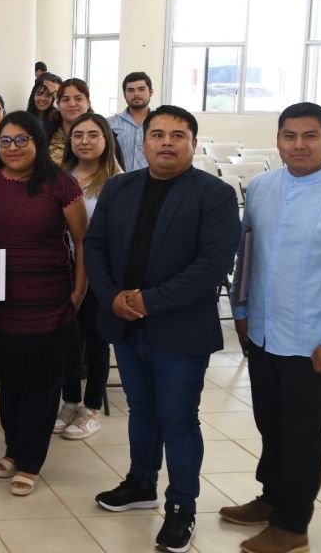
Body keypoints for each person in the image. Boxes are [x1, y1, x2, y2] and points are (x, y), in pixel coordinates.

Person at [84, 105, 240, 553]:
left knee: (178, 418)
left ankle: (181, 506)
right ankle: (140, 484)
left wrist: (149, 301)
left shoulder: (214, 194)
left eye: (177, 135)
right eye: (157, 134)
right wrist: (112, 294)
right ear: (143, 141)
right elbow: (95, 245)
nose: (166, 142)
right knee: (142, 409)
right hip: (126, 323)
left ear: (192, 141)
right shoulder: (120, 187)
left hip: (179, 328)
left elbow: (211, 266)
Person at [224, 102, 321, 553]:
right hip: (263, 333)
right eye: (290, 136)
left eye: (310, 136)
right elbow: (247, 257)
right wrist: (240, 313)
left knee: (303, 435)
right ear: (278, 140)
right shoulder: (260, 188)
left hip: (314, 343)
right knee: (271, 425)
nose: (299, 144)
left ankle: (293, 527)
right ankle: (272, 499)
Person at [0, 110, 87, 498]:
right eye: (6, 141)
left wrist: (78, 293)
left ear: (37, 142)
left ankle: (31, 461)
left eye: (22, 140)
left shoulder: (60, 185)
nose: (13, 148)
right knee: (12, 381)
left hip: (50, 302)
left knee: (42, 383)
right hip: (2, 302)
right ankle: (13, 449)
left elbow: (82, 242)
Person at [55, 112, 121, 441]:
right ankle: (69, 401)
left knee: (96, 340)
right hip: (63, 268)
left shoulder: (117, 180)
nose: (85, 141)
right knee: (68, 339)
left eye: (93, 135)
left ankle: (91, 407)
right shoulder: (60, 176)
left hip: (101, 273)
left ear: (106, 140)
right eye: (78, 135)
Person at [108, 72, 153, 172]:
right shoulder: (110, 123)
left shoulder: (160, 123)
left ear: (151, 92)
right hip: (119, 181)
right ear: (124, 94)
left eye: (141, 89)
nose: (136, 94)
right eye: (131, 90)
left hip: (153, 183)